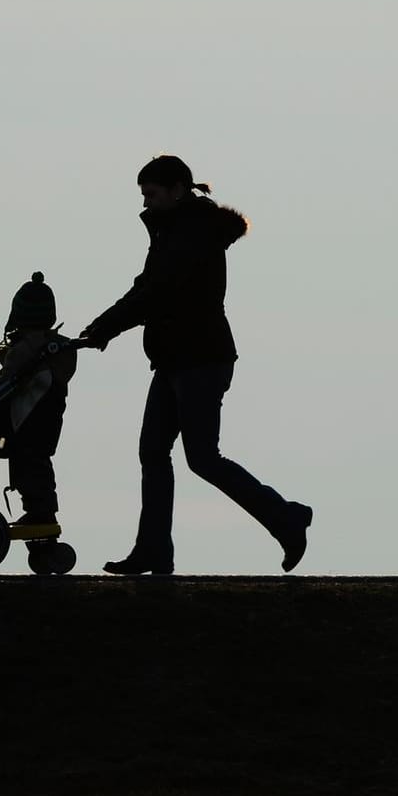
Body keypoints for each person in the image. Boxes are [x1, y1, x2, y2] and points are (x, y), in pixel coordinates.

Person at [80, 155, 312, 575]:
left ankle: (285, 517)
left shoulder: (191, 233)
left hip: (200, 358)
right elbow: (146, 287)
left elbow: (155, 292)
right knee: (154, 452)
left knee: (202, 457)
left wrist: (104, 328)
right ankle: (153, 550)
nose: (146, 203)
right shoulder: (175, 230)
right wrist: (102, 327)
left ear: (177, 189)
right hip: (174, 359)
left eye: (151, 194)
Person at [0, 271, 76, 540]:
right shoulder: (61, 347)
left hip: (26, 419)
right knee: (37, 463)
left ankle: (41, 513)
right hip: (50, 418)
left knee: (27, 463)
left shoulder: (25, 349)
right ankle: (40, 511)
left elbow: (4, 382)